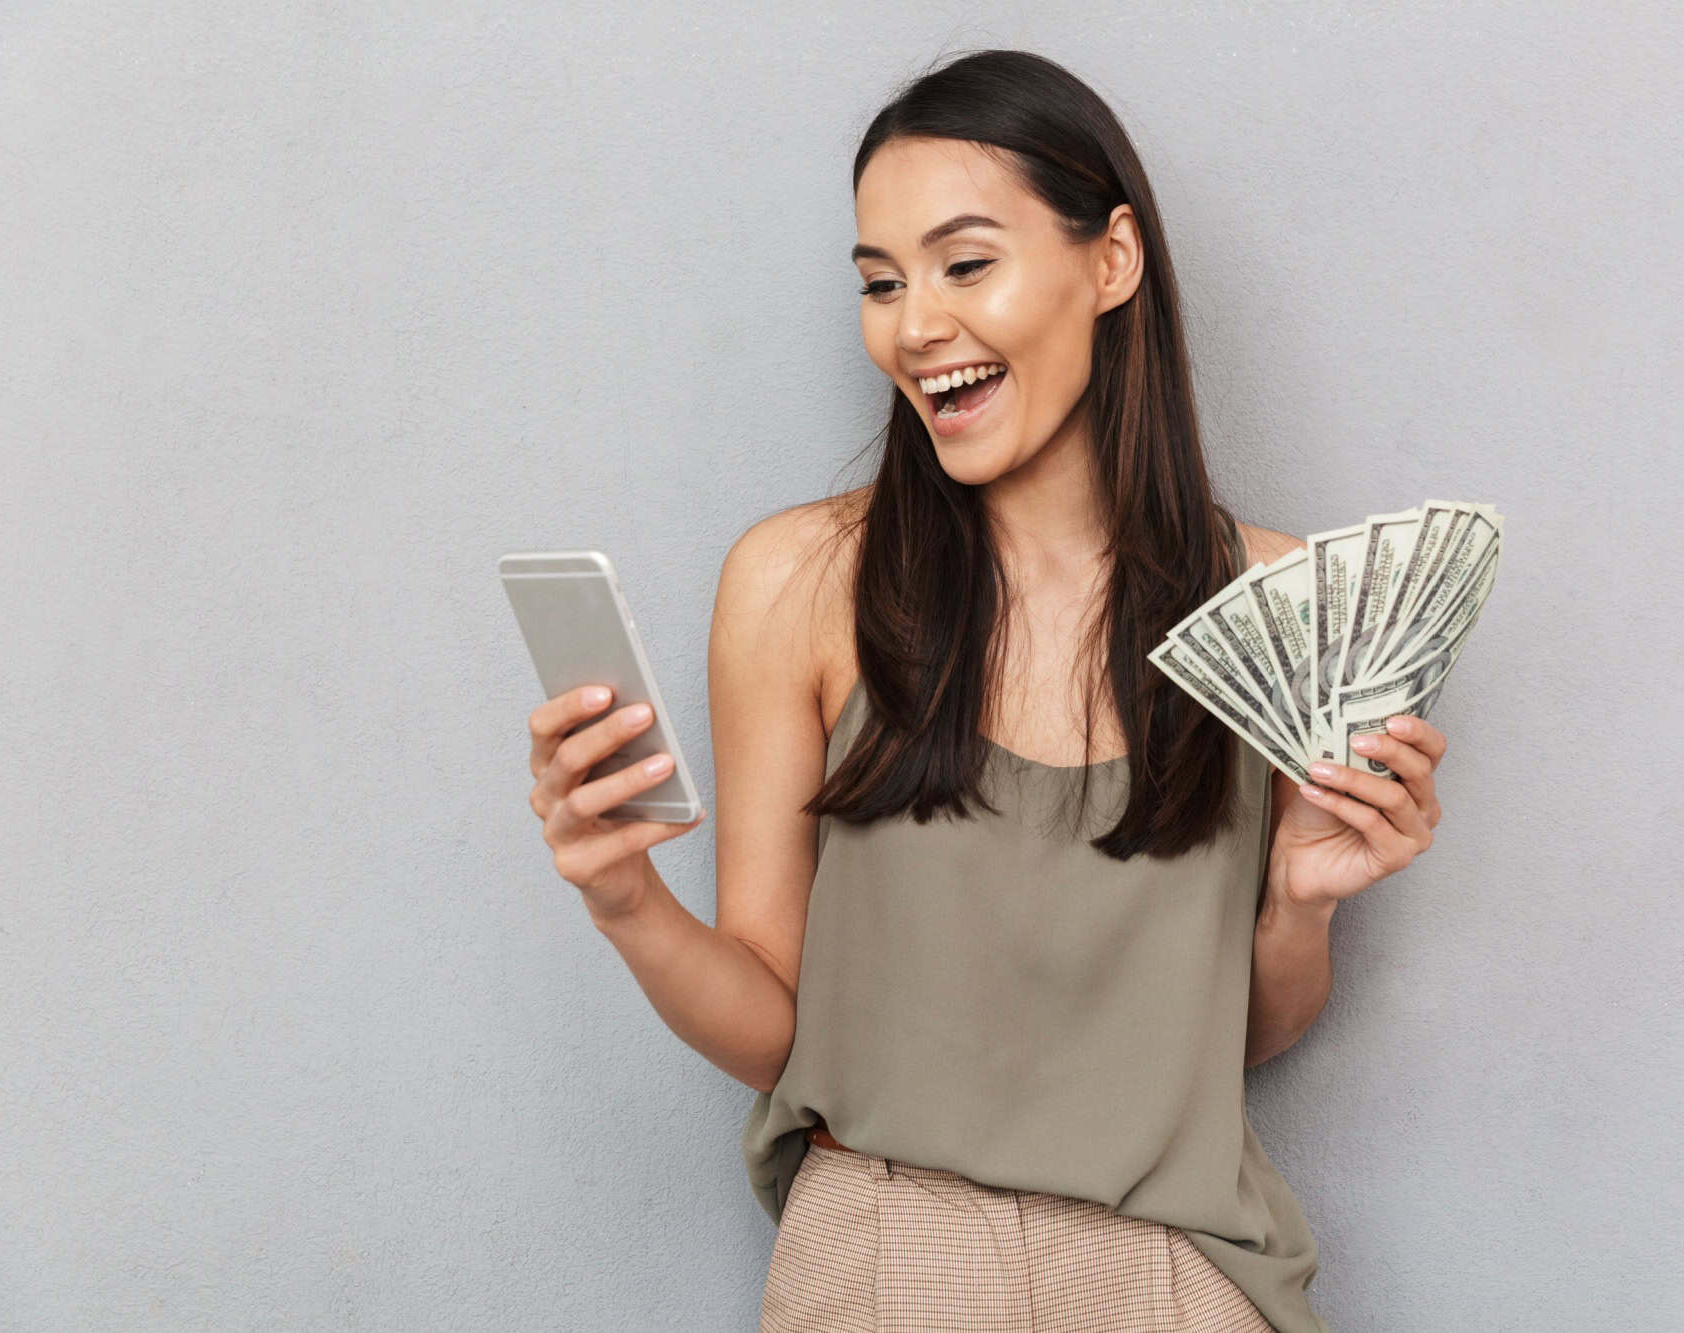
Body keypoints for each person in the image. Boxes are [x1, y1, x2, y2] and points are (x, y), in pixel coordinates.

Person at [523, 49, 1447, 1333]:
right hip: (884, 1257)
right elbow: (776, 1028)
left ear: (1109, 260)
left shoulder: (1283, 609)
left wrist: (1298, 902)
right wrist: (624, 897)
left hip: (1178, 1272)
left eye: (963, 264)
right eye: (880, 282)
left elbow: (1231, 1042)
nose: (913, 327)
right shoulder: (797, 583)